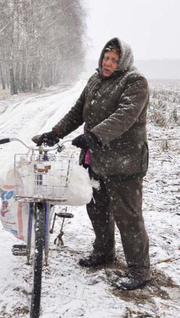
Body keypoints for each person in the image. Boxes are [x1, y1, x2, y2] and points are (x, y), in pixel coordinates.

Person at [36, 38, 150, 290]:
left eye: (114, 59)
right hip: (96, 161)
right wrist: (56, 132)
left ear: (123, 62)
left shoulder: (135, 82)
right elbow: (78, 111)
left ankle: (140, 270)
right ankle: (104, 252)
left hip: (124, 163)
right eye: (105, 58)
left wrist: (94, 135)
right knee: (97, 209)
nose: (108, 63)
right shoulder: (95, 80)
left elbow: (124, 117)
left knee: (128, 218)